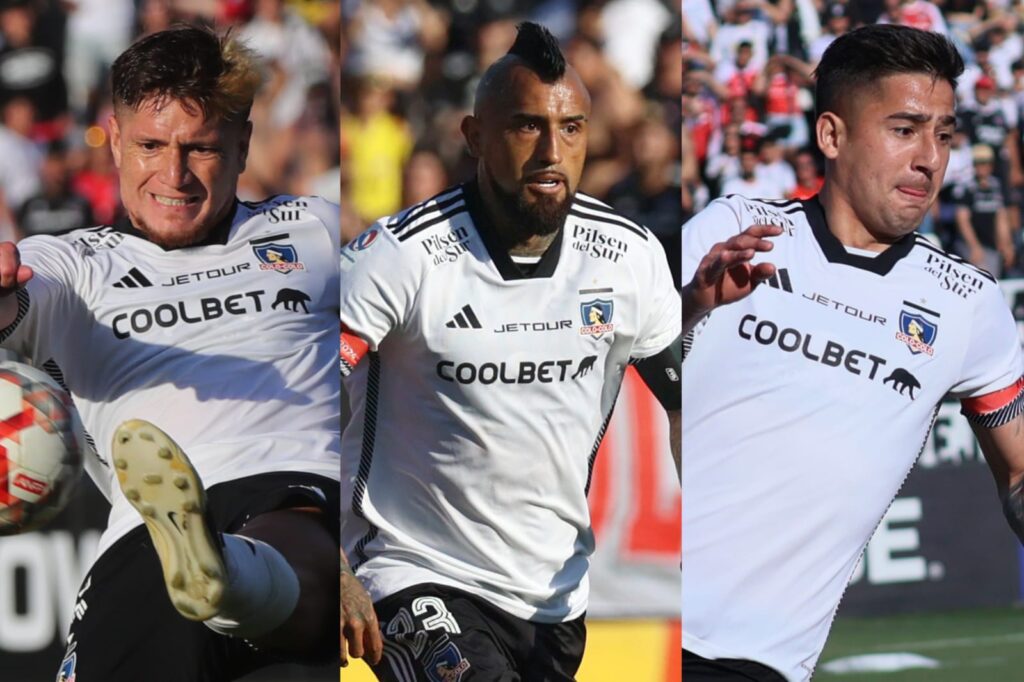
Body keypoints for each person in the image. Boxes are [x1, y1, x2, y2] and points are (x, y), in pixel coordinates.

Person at [338, 22, 681, 680]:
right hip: (415, 573)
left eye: (572, 128)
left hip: (553, 594)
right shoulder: (400, 258)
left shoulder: (630, 257)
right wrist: (332, 564)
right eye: (527, 127)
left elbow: (684, 402)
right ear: (473, 137)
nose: (552, 151)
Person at [682, 25, 1024, 681]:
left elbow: (1017, 474)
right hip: (635, 622)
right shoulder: (733, 231)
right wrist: (695, 302)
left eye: (944, 135)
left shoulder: (968, 305)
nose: (930, 158)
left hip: (761, 662)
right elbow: (625, 372)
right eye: (904, 129)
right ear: (832, 136)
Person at [0, 26, 341, 681]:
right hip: (149, 535)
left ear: (243, 145)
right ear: (117, 142)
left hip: (293, 488)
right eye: (151, 146)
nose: (174, 175)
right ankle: (216, 568)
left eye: (201, 148)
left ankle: (228, 574)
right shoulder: (73, 263)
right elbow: (17, 301)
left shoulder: (313, 230)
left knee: (300, 531)